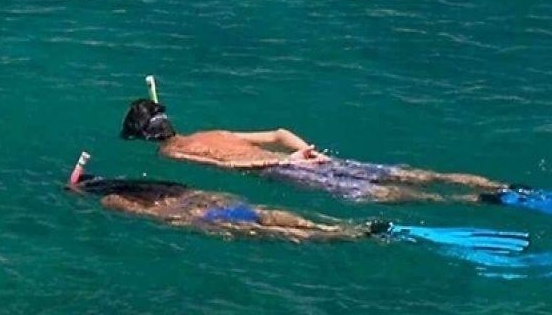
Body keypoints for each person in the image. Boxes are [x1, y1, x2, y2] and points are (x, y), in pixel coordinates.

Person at [119, 96, 508, 205]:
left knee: (375, 194)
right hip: (306, 159)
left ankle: (476, 200)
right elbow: (279, 131)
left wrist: (287, 163)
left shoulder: (169, 155)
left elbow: (230, 169)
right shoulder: (215, 130)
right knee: (393, 171)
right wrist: (308, 152)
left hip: (281, 169)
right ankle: (494, 184)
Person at [66, 153, 380, 241]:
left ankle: (344, 236)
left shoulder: (112, 200)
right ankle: (336, 226)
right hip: (218, 202)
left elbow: (154, 216)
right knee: (266, 215)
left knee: (268, 232)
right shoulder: (157, 184)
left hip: (199, 216)